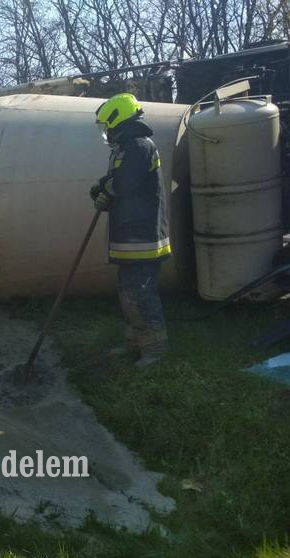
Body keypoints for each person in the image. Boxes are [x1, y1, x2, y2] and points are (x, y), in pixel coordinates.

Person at [91, 93, 171, 367]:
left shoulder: (138, 146)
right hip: (130, 234)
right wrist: (99, 189)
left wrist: (107, 192)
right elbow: (113, 180)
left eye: (107, 126)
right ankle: (136, 343)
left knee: (140, 294)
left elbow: (124, 185)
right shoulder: (125, 148)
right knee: (128, 293)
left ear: (118, 121)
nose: (106, 132)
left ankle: (156, 349)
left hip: (142, 236)